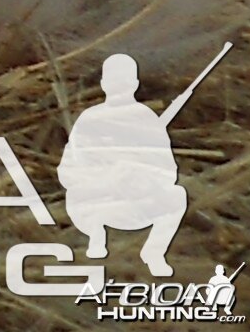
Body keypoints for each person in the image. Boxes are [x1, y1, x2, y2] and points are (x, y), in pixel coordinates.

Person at [57, 53, 191, 275]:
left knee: (177, 196)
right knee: (78, 198)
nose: (119, 87)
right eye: (113, 80)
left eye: (125, 81)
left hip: (138, 201)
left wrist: (144, 178)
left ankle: (154, 253)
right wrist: (104, 177)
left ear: (135, 84)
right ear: (103, 84)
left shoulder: (147, 119)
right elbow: (68, 169)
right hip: (99, 200)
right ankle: (96, 242)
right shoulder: (90, 119)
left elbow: (168, 170)